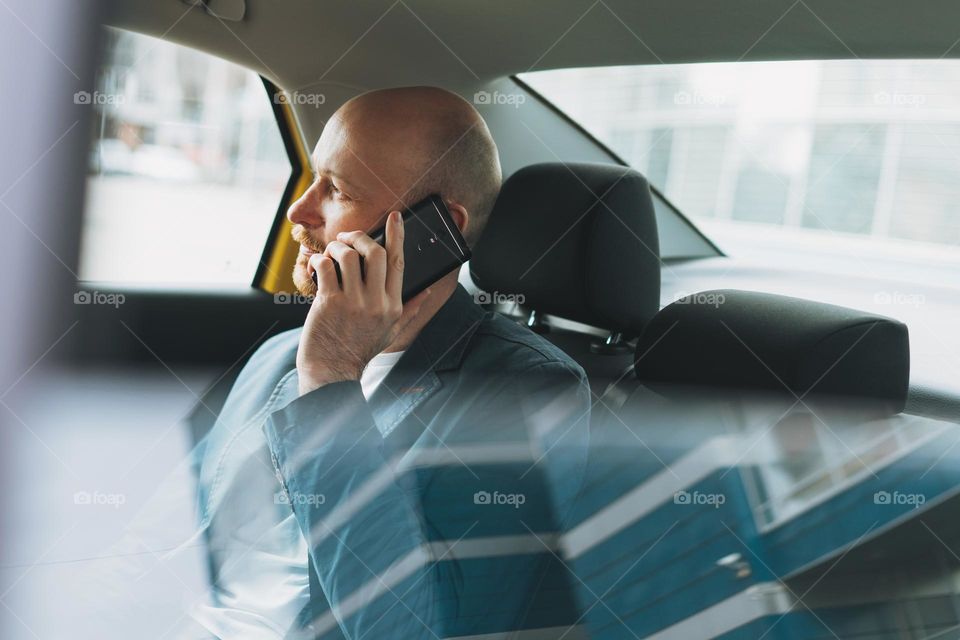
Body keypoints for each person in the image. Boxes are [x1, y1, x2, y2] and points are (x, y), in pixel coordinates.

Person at [194, 86, 590, 639]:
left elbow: (406, 628)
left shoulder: (524, 390)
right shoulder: (278, 356)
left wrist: (331, 380)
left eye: (336, 190)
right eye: (313, 179)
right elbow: (170, 549)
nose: (299, 210)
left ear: (437, 230)